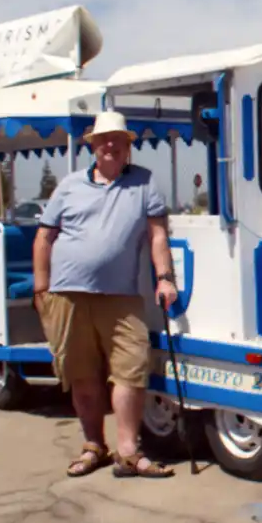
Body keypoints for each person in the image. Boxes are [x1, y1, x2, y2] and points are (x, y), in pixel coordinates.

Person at [32, 110, 179, 479]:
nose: (110, 145)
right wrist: (40, 286)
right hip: (66, 294)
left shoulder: (144, 182)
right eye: (103, 139)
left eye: (118, 139)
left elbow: (157, 234)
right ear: (93, 146)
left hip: (121, 295)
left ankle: (128, 453)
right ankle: (93, 446)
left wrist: (165, 278)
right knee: (81, 373)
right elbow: (44, 237)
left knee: (130, 370)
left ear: (129, 146)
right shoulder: (68, 185)